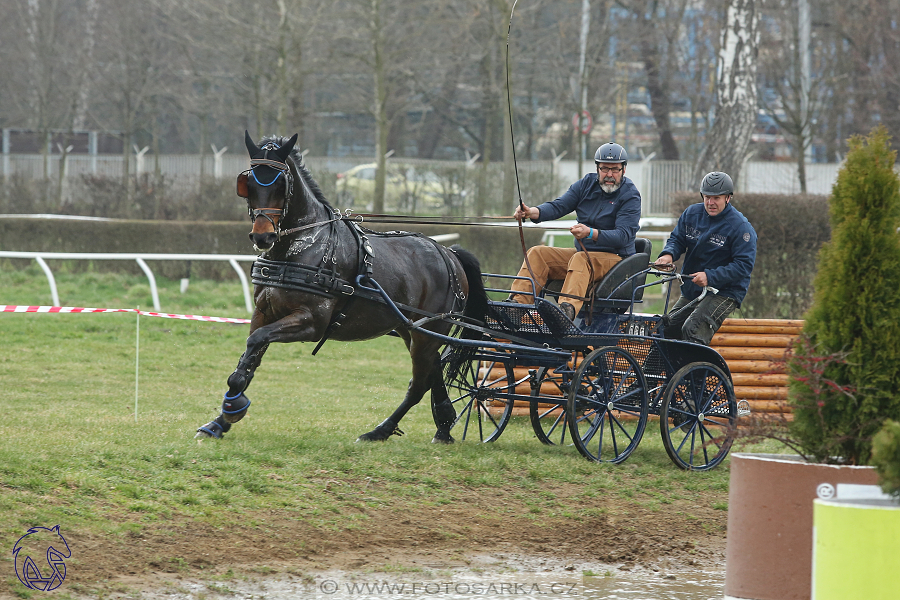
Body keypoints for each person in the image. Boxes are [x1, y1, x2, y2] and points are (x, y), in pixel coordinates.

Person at [508, 142, 642, 321]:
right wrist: (532, 212)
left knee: (581, 259)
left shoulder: (630, 195)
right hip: (585, 255)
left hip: (616, 260)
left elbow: (623, 236)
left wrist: (590, 233)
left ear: (624, 170)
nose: (609, 174)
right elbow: (559, 206)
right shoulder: (586, 184)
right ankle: (516, 308)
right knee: (538, 253)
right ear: (597, 168)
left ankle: (565, 313)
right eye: (604, 169)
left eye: (615, 169)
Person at [653, 171, 757, 345]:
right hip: (693, 289)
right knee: (667, 327)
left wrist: (710, 277)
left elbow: (743, 266)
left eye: (716, 198)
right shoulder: (691, 214)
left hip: (725, 292)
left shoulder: (741, 227)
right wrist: (668, 254)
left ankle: (695, 371)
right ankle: (658, 371)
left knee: (692, 329)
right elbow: (677, 239)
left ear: (728, 198)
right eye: (707, 197)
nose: (710, 203)